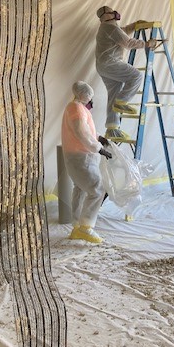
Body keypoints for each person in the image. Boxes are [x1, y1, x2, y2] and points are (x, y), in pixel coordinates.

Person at [95, 6, 157, 141]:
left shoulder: (108, 28)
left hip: (103, 66)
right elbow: (128, 43)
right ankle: (122, 100)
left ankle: (112, 129)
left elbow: (122, 32)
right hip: (110, 63)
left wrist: (135, 25)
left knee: (114, 93)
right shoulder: (110, 28)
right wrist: (147, 44)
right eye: (112, 11)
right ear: (107, 15)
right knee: (136, 76)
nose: (115, 13)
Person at [61, 81, 111, 244]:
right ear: (85, 96)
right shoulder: (76, 108)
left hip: (77, 157)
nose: (92, 102)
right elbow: (82, 133)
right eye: (90, 98)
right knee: (97, 189)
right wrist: (98, 148)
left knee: (81, 188)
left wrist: (99, 138)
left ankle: (76, 226)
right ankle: (85, 227)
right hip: (80, 158)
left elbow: (86, 130)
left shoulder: (75, 107)